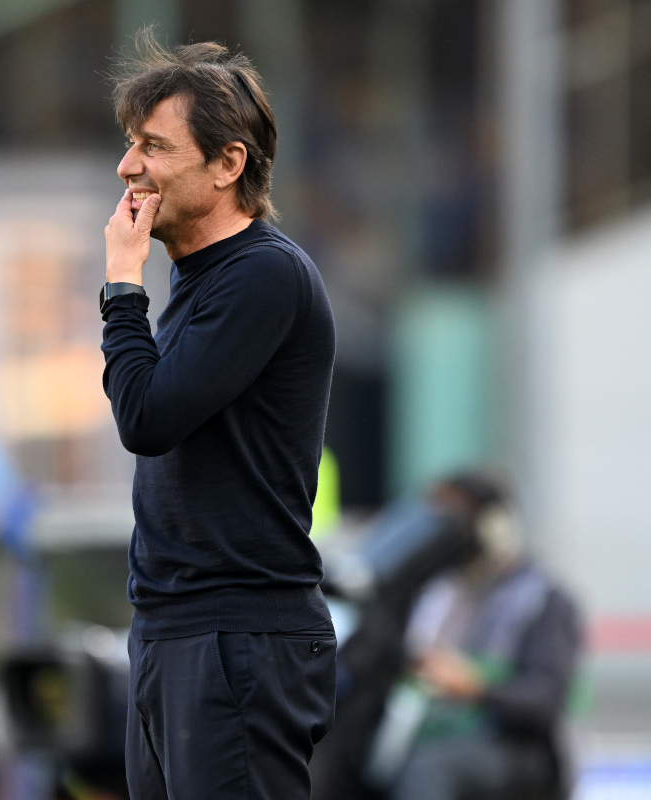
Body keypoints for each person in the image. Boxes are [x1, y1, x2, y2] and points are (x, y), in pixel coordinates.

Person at [100, 30, 338, 800]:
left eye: (153, 147)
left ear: (228, 164)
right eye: (131, 145)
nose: (128, 167)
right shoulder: (203, 281)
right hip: (177, 627)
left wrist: (122, 289)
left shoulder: (263, 274)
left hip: (238, 635)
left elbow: (145, 417)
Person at [388, 474, 580, 800]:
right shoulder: (438, 593)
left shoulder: (541, 598)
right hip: (425, 733)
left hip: (516, 749)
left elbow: (545, 700)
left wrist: (473, 686)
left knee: (429, 769)